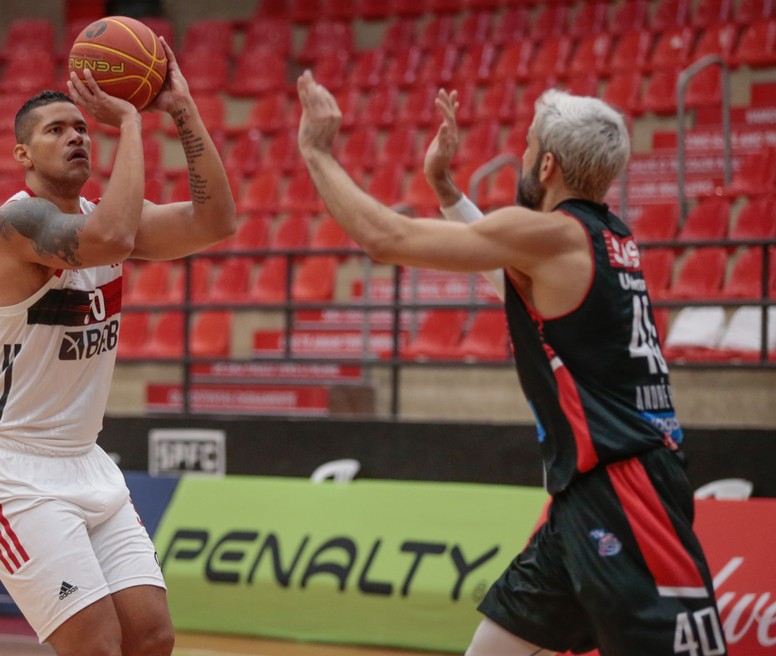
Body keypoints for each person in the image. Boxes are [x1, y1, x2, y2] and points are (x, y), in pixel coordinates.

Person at [296, 70, 727, 656]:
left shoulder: (554, 236)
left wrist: (316, 152)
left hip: (627, 492)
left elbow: (384, 237)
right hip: (587, 492)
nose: (521, 156)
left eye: (526, 145)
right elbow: (504, 275)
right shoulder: (601, 240)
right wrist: (446, 188)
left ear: (546, 166)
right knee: (494, 648)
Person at [0, 38, 236, 656]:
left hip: (85, 459)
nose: (78, 135)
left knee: (152, 638)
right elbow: (110, 235)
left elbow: (217, 222)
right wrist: (133, 119)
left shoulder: (105, 220)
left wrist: (181, 110)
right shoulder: (17, 225)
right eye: (58, 129)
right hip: (11, 469)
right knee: (97, 647)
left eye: (84, 127)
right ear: (23, 153)